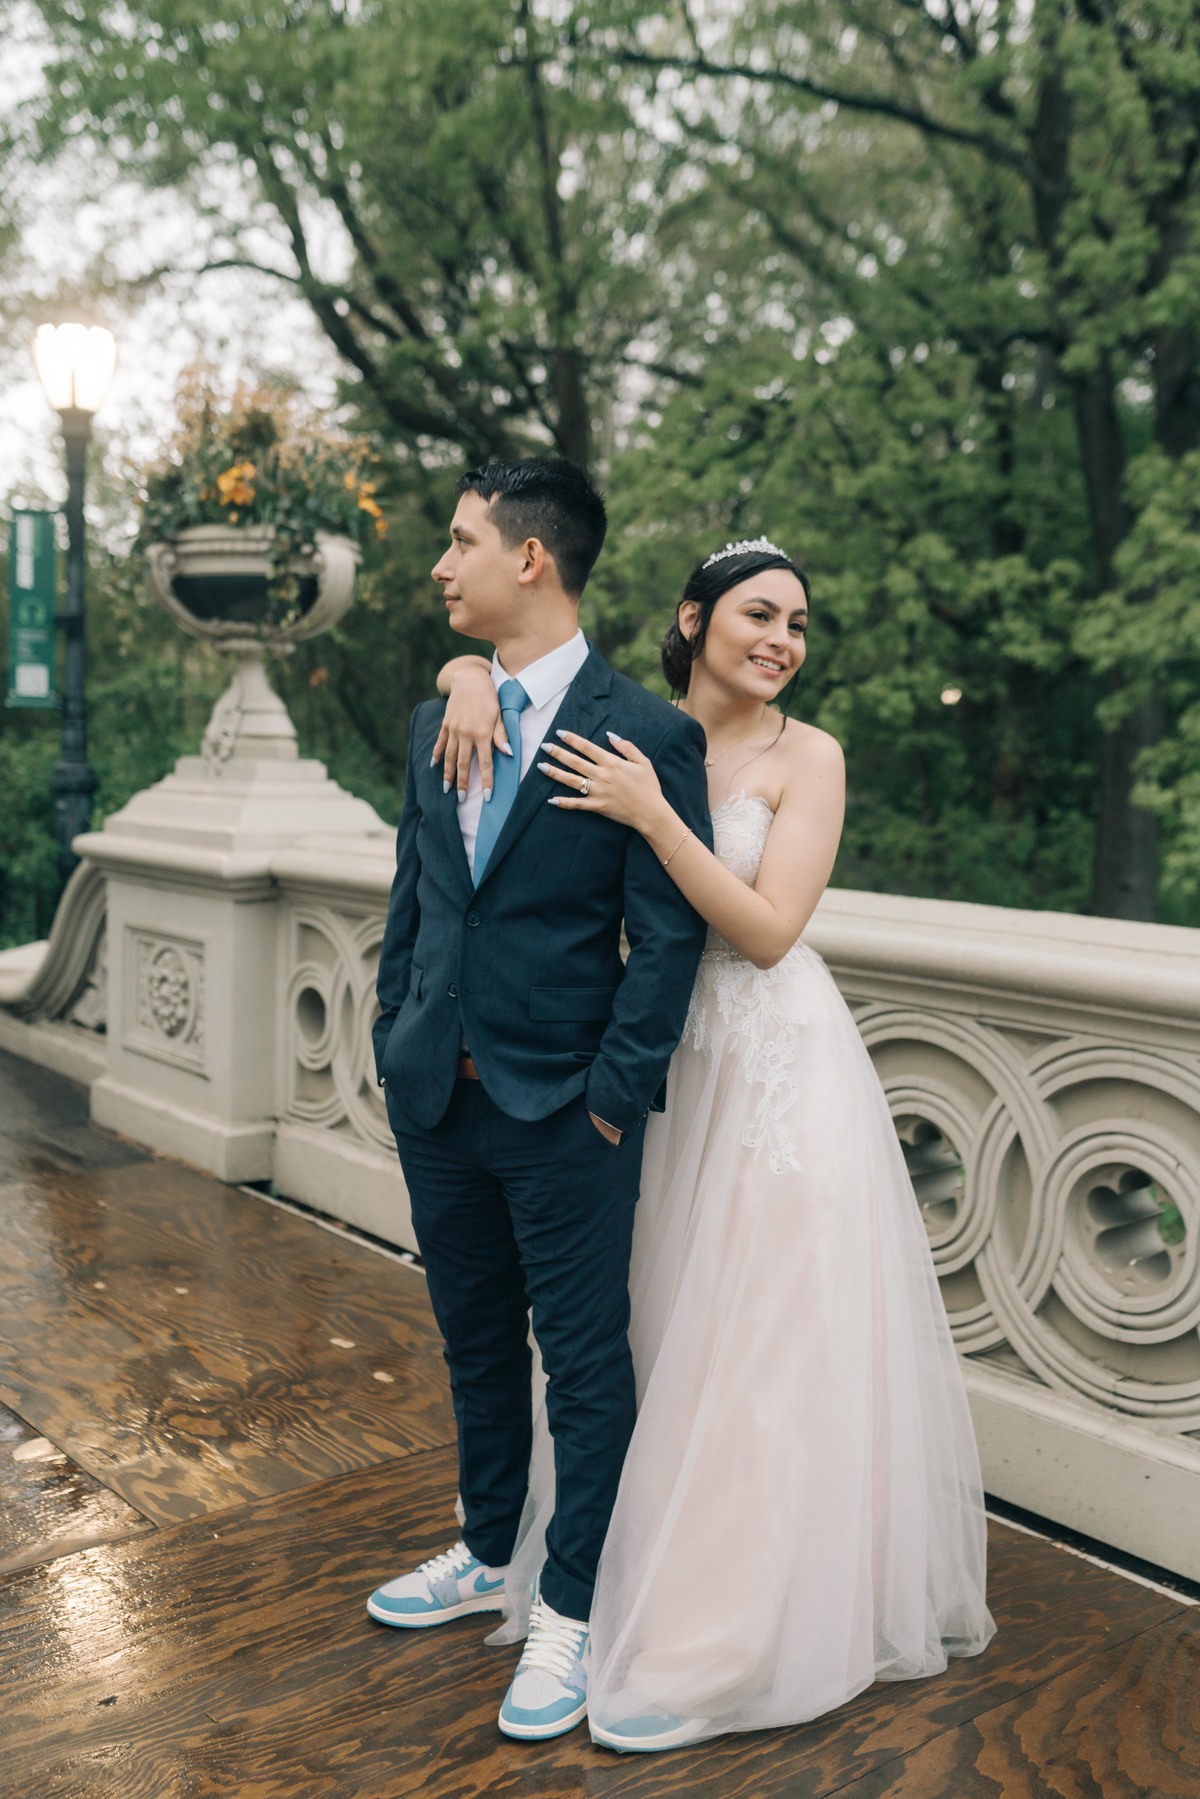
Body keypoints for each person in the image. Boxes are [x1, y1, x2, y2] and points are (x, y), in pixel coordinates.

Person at [435, 535, 996, 1753]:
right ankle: (586, 1585)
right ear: (693, 619)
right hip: (642, 1066)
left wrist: (654, 814)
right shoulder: (627, 725)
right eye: (758, 612)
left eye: (798, 621)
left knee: (757, 1351)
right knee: (635, 1334)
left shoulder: (811, 758)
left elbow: (769, 930)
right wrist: (464, 673)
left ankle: (724, 1629)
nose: (783, 639)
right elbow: (522, 721)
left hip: (771, 1074)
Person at [367, 457, 711, 1743]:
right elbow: (416, 891)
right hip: (436, 1097)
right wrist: (394, 1024)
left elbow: (666, 941)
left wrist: (610, 1100)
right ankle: (484, 1548)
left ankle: (567, 1608)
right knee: (469, 1339)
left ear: (532, 559)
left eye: (461, 542)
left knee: (582, 1362)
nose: (442, 566)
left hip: (567, 1108)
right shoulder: (434, 715)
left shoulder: (647, 733)